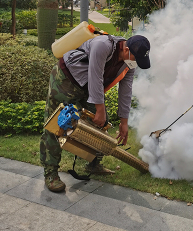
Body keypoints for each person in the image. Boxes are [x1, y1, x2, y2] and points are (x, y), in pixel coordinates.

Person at [40, 33, 151, 192]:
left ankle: (93, 164)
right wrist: (100, 109)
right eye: (135, 59)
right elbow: (95, 76)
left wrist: (124, 122)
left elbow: (125, 90)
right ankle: (50, 173)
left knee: (99, 125)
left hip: (87, 87)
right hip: (65, 80)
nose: (135, 64)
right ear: (126, 50)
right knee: (57, 124)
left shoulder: (129, 62)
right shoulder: (102, 45)